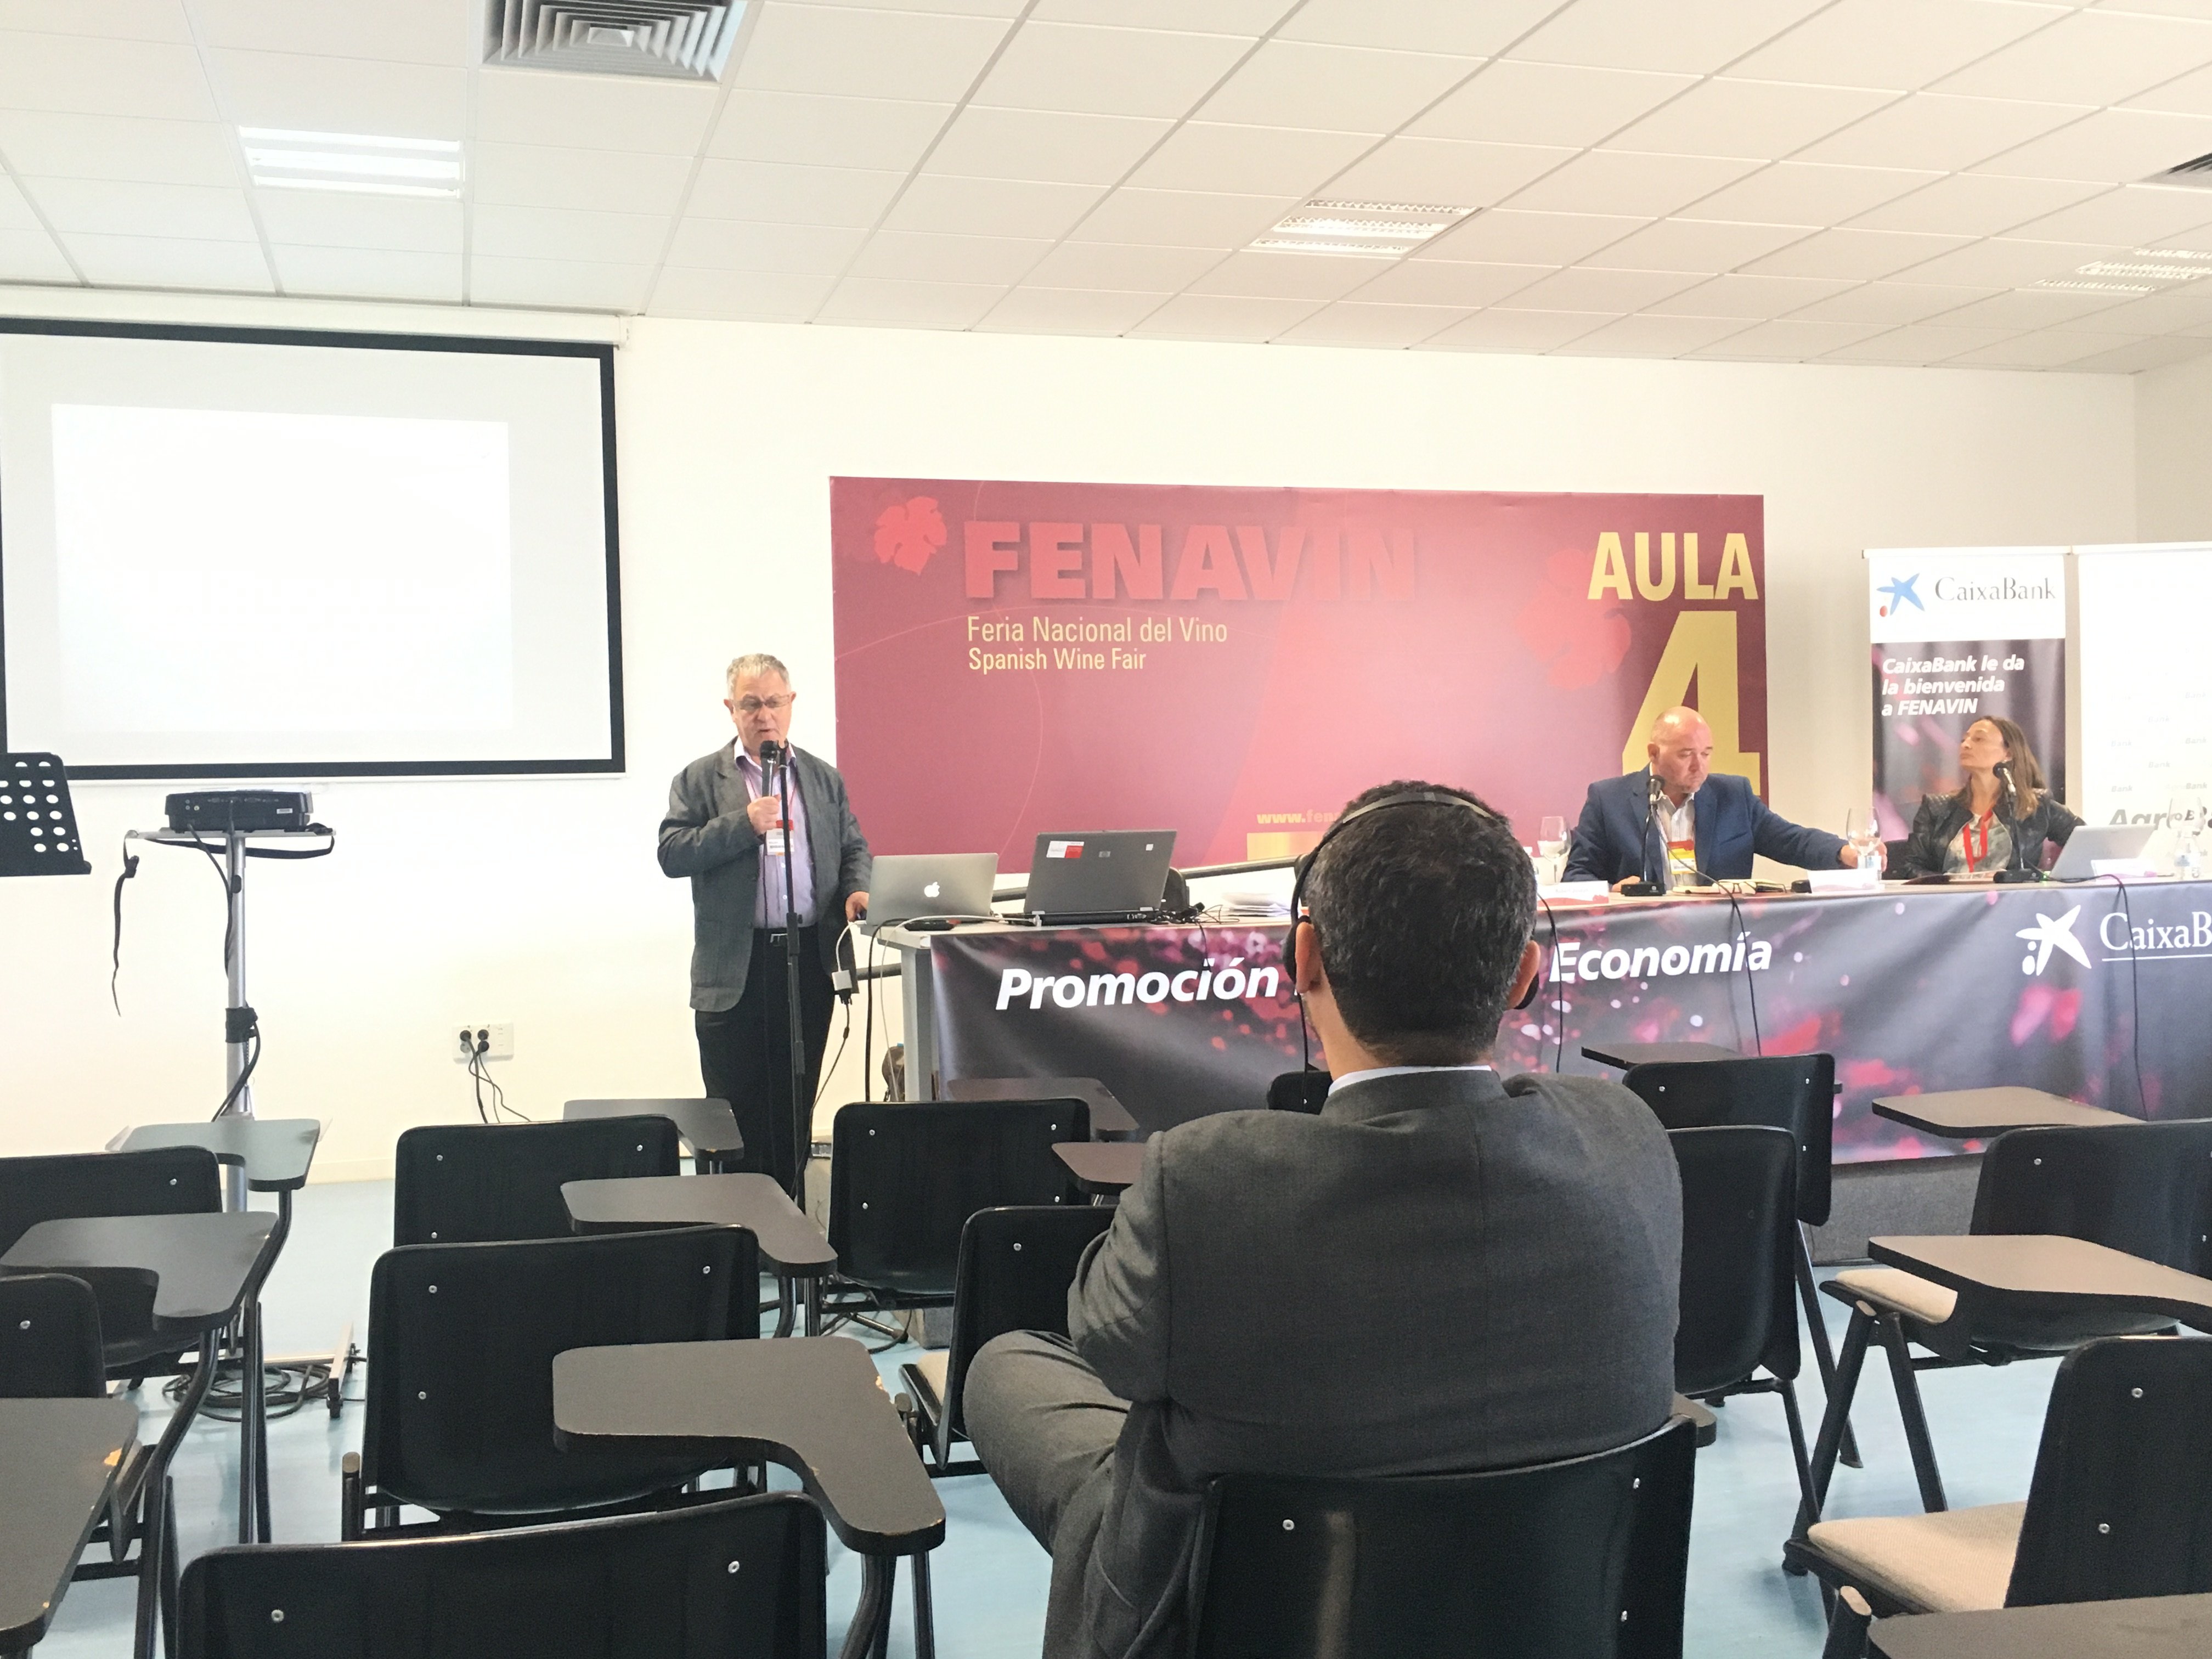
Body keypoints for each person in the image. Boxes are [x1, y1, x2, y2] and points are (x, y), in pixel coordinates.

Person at [962, 781, 1682, 1659]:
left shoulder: (1205, 1177)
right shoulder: (1628, 1138)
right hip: (1552, 1617)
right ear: (1526, 975)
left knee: (1013, 1367)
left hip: (1222, 1620)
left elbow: (1106, 1345)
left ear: (1302, 957)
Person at [657, 653, 870, 1196]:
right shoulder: (700, 780)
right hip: (736, 969)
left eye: (774, 702)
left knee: (793, 1104)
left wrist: (856, 889)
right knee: (734, 1111)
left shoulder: (822, 779)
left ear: (791, 703)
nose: (764, 715)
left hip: (807, 962)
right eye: (751, 704)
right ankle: (737, 1223)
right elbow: (672, 853)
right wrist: (743, 824)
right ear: (731, 709)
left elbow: (853, 848)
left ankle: (788, 1214)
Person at [1564, 704, 1856, 889]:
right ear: (1654, 753)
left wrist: (1843, 852)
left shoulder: (1734, 796)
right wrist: (1612, 892)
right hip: (1642, 942)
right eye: (1686, 755)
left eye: (1706, 754)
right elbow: (1577, 877)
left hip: (1719, 940)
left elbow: (1792, 840)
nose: (1699, 766)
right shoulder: (1608, 800)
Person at [1895, 715, 2080, 877]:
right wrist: (1950, 883)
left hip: (2013, 902)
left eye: (1979, 739)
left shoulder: (2035, 805)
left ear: (2008, 753)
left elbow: (2085, 843)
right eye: (1964, 739)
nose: (1966, 745)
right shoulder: (1936, 808)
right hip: (1951, 903)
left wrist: (2049, 878)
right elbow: (1911, 867)